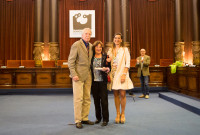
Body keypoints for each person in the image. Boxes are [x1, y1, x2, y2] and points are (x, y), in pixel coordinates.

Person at [68, 28, 94, 129]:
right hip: (77, 76)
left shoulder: (91, 46)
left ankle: (84, 118)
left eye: (89, 34)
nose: (88, 35)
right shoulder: (76, 45)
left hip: (88, 76)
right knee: (78, 99)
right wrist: (73, 74)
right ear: (82, 35)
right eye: (86, 34)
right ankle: (78, 120)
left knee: (87, 98)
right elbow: (71, 61)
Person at [107, 33, 134, 124]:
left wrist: (124, 74)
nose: (117, 39)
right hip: (113, 74)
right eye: (115, 38)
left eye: (119, 38)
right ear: (113, 39)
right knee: (115, 95)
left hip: (122, 73)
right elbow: (108, 62)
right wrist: (107, 61)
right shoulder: (110, 50)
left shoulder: (125, 49)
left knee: (122, 94)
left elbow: (128, 63)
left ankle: (123, 113)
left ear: (121, 40)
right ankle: (117, 114)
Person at [91, 41, 110, 126]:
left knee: (104, 101)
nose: (98, 48)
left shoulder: (105, 56)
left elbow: (109, 67)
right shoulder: (91, 57)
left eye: (100, 47)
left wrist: (106, 69)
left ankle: (105, 119)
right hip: (94, 82)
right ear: (94, 48)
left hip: (102, 81)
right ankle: (98, 118)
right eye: (97, 47)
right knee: (96, 101)